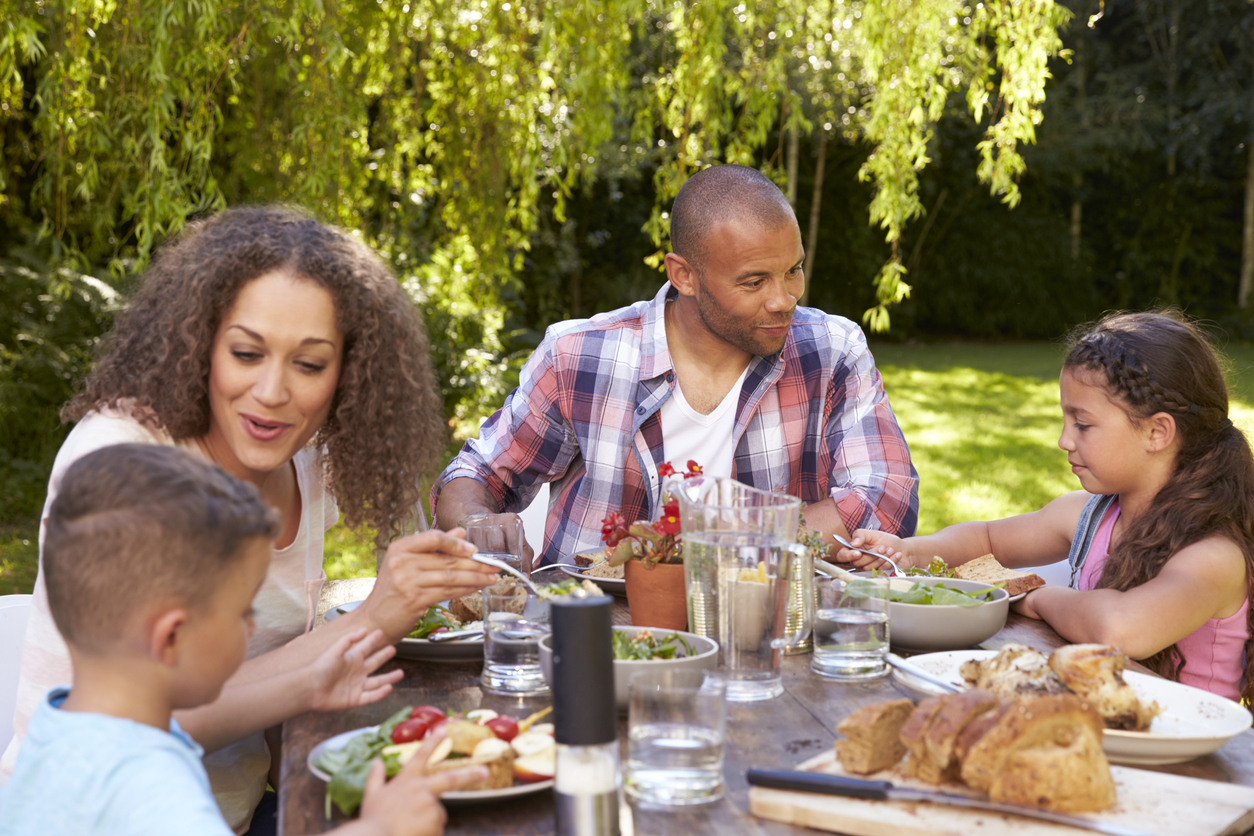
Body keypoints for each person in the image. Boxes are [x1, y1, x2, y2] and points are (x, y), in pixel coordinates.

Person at [1, 206, 499, 832]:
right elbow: (132, 708)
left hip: (239, 806)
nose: (271, 392)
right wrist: (371, 620)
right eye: (246, 352)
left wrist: (386, 611)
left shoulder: (308, 456)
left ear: (350, 372)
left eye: (310, 364)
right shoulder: (127, 461)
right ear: (199, 341)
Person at [434, 164, 919, 563]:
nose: (784, 298)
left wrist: (714, 542)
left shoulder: (831, 351)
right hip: (596, 634)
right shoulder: (578, 356)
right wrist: (478, 523)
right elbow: (476, 474)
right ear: (683, 275)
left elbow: (887, 496)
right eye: (754, 282)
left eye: (793, 269)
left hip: (767, 633)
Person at [0, 444, 484, 836]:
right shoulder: (151, 786)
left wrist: (306, 682)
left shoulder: (68, 725)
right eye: (241, 612)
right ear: (171, 636)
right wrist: (381, 827)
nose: (252, 629)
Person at [840, 311, 1254, 703]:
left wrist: (1039, 599)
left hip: (1195, 765)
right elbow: (987, 538)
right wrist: (907, 551)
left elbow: (1120, 627)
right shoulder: (1090, 516)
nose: (1064, 440)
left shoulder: (1214, 555)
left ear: (1157, 431)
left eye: (1083, 424)